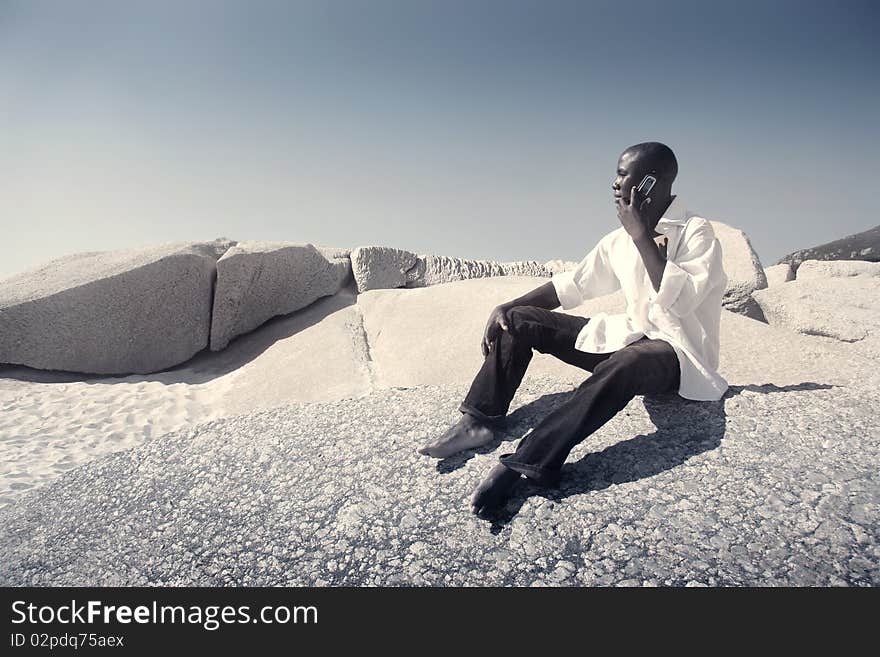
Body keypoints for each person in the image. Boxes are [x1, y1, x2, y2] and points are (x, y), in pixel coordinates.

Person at [418, 142, 729, 515]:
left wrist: (642, 237)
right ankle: (479, 421)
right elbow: (574, 284)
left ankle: (526, 461)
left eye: (623, 174)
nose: (615, 183)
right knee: (517, 320)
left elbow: (680, 304)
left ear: (650, 183)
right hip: (629, 337)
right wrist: (511, 304)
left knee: (628, 363)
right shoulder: (619, 240)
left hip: (678, 354)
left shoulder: (697, 232)